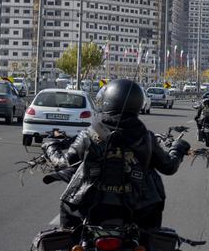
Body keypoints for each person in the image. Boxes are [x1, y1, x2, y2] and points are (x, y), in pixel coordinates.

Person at [43, 79, 190, 228]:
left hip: (88, 203)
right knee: (151, 241)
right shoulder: (146, 137)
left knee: (68, 238)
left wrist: (49, 146)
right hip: (139, 207)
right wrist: (178, 148)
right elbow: (169, 167)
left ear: (108, 101)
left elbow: (63, 163)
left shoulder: (89, 134)